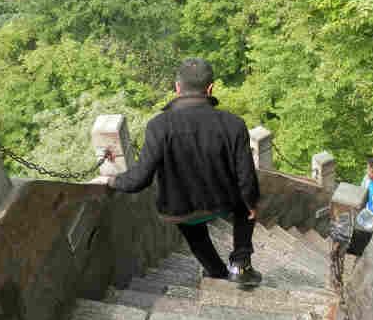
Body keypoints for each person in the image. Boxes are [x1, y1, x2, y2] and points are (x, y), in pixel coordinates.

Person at [104, 58, 263, 286]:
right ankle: (240, 263)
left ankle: (216, 272)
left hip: (181, 209)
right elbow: (246, 176)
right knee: (247, 203)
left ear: (177, 88)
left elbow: (138, 180)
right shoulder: (234, 124)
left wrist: (111, 180)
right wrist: (251, 203)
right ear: (210, 88)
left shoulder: (158, 126)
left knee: (194, 231)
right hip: (224, 202)